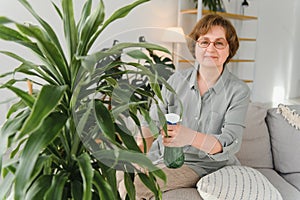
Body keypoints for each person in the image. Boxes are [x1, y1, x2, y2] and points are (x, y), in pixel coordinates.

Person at [120, 13, 251, 200]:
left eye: (219, 43)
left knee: (138, 185)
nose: (210, 48)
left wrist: (189, 137)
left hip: (202, 164)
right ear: (195, 47)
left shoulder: (238, 91)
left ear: (229, 50)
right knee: (120, 171)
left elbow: (230, 142)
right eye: (204, 42)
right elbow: (152, 123)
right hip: (161, 156)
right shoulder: (175, 80)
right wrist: (140, 153)